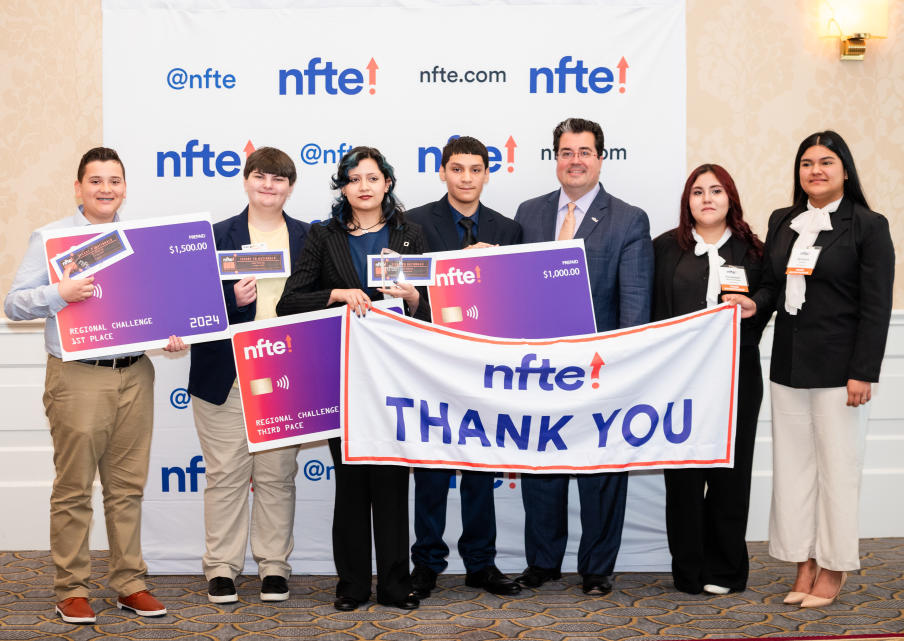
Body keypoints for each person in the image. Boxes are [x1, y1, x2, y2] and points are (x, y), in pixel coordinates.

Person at [4, 147, 183, 624]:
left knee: (127, 487)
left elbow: (156, 306)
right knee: (74, 488)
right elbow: (14, 304)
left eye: (115, 180)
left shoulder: (139, 241)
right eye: (96, 180)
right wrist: (56, 294)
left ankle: (129, 582)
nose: (106, 189)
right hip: (79, 375)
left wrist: (172, 331)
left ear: (125, 186)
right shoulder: (53, 239)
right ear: (78, 186)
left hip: (136, 373)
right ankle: (71, 588)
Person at [725, 131, 894, 608]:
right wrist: (753, 306)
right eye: (806, 163)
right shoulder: (784, 221)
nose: (815, 170)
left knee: (837, 472)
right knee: (794, 471)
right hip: (789, 367)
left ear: (845, 170)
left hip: (842, 373)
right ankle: (803, 563)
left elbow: (876, 307)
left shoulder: (868, 225)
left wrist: (864, 371)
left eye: (825, 162)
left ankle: (835, 566)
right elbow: (772, 288)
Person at [276, 146, 429, 612]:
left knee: (392, 485)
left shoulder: (411, 235)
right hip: (342, 377)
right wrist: (337, 294)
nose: (364, 186)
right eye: (354, 178)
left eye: (372, 177)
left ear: (387, 183)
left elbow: (439, 311)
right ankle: (352, 586)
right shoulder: (323, 236)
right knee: (352, 484)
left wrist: (415, 299)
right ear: (343, 187)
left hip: (396, 378)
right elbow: (289, 302)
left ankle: (396, 586)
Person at [513, 118, 653, 595]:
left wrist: (621, 369)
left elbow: (634, 301)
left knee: (601, 476)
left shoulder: (628, 218)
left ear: (600, 158)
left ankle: (596, 569)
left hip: (600, 370)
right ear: (555, 159)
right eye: (566, 152)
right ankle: (543, 562)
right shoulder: (528, 214)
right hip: (539, 369)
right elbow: (514, 293)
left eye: (585, 152)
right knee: (543, 473)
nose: (575, 160)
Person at [186, 147, 309, 604]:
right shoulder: (216, 238)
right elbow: (191, 308)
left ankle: (274, 567)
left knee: (277, 475)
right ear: (246, 181)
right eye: (260, 176)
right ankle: (221, 567)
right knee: (225, 474)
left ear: (290, 187)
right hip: (226, 371)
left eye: (279, 179)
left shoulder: (309, 237)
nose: (269, 185)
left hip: (286, 372)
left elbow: (319, 299)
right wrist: (230, 303)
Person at [404, 136, 522, 598]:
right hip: (431, 362)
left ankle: (481, 564)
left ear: (487, 174)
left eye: (476, 169)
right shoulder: (412, 223)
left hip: (485, 366)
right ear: (442, 172)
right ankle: (427, 564)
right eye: (457, 169)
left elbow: (517, 300)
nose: (466, 178)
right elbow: (408, 296)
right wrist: (459, 271)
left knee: (479, 468)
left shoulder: (508, 230)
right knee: (432, 468)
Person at [653, 164, 769, 595]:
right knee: (682, 479)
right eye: (697, 191)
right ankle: (688, 570)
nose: (706, 198)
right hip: (679, 382)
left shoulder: (753, 250)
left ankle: (724, 570)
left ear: (730, 199)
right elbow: (650, 308)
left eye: (716, 191)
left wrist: (756, 303)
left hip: (737, 378)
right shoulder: (664, 248)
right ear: (687, 202)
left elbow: (772, 292)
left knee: (729, 477)